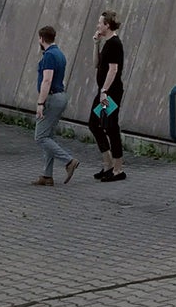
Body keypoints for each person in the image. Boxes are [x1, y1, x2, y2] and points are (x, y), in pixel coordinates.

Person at [32, 25, 78, 186]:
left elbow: (47, 80)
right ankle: (47, 176)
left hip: (51, 98)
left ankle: (69, 161)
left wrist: (40, 103)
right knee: (48, 135)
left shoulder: (49, 56)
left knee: (40, 137)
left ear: (41, 39)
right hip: (60, 97)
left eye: (39, 38)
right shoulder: (59, 54)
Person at [89, 10, 126, 181]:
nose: (97, 25)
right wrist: (96, 44)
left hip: (109, 94)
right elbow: (97, 64)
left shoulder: (114, 44)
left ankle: (117, 169)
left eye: (100, 23)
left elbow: (114, 69)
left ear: (107, 25)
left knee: (110, 127)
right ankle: (108, 163)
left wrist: (104, 91)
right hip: (104, 92)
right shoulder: (107, 43)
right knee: (95, 124)